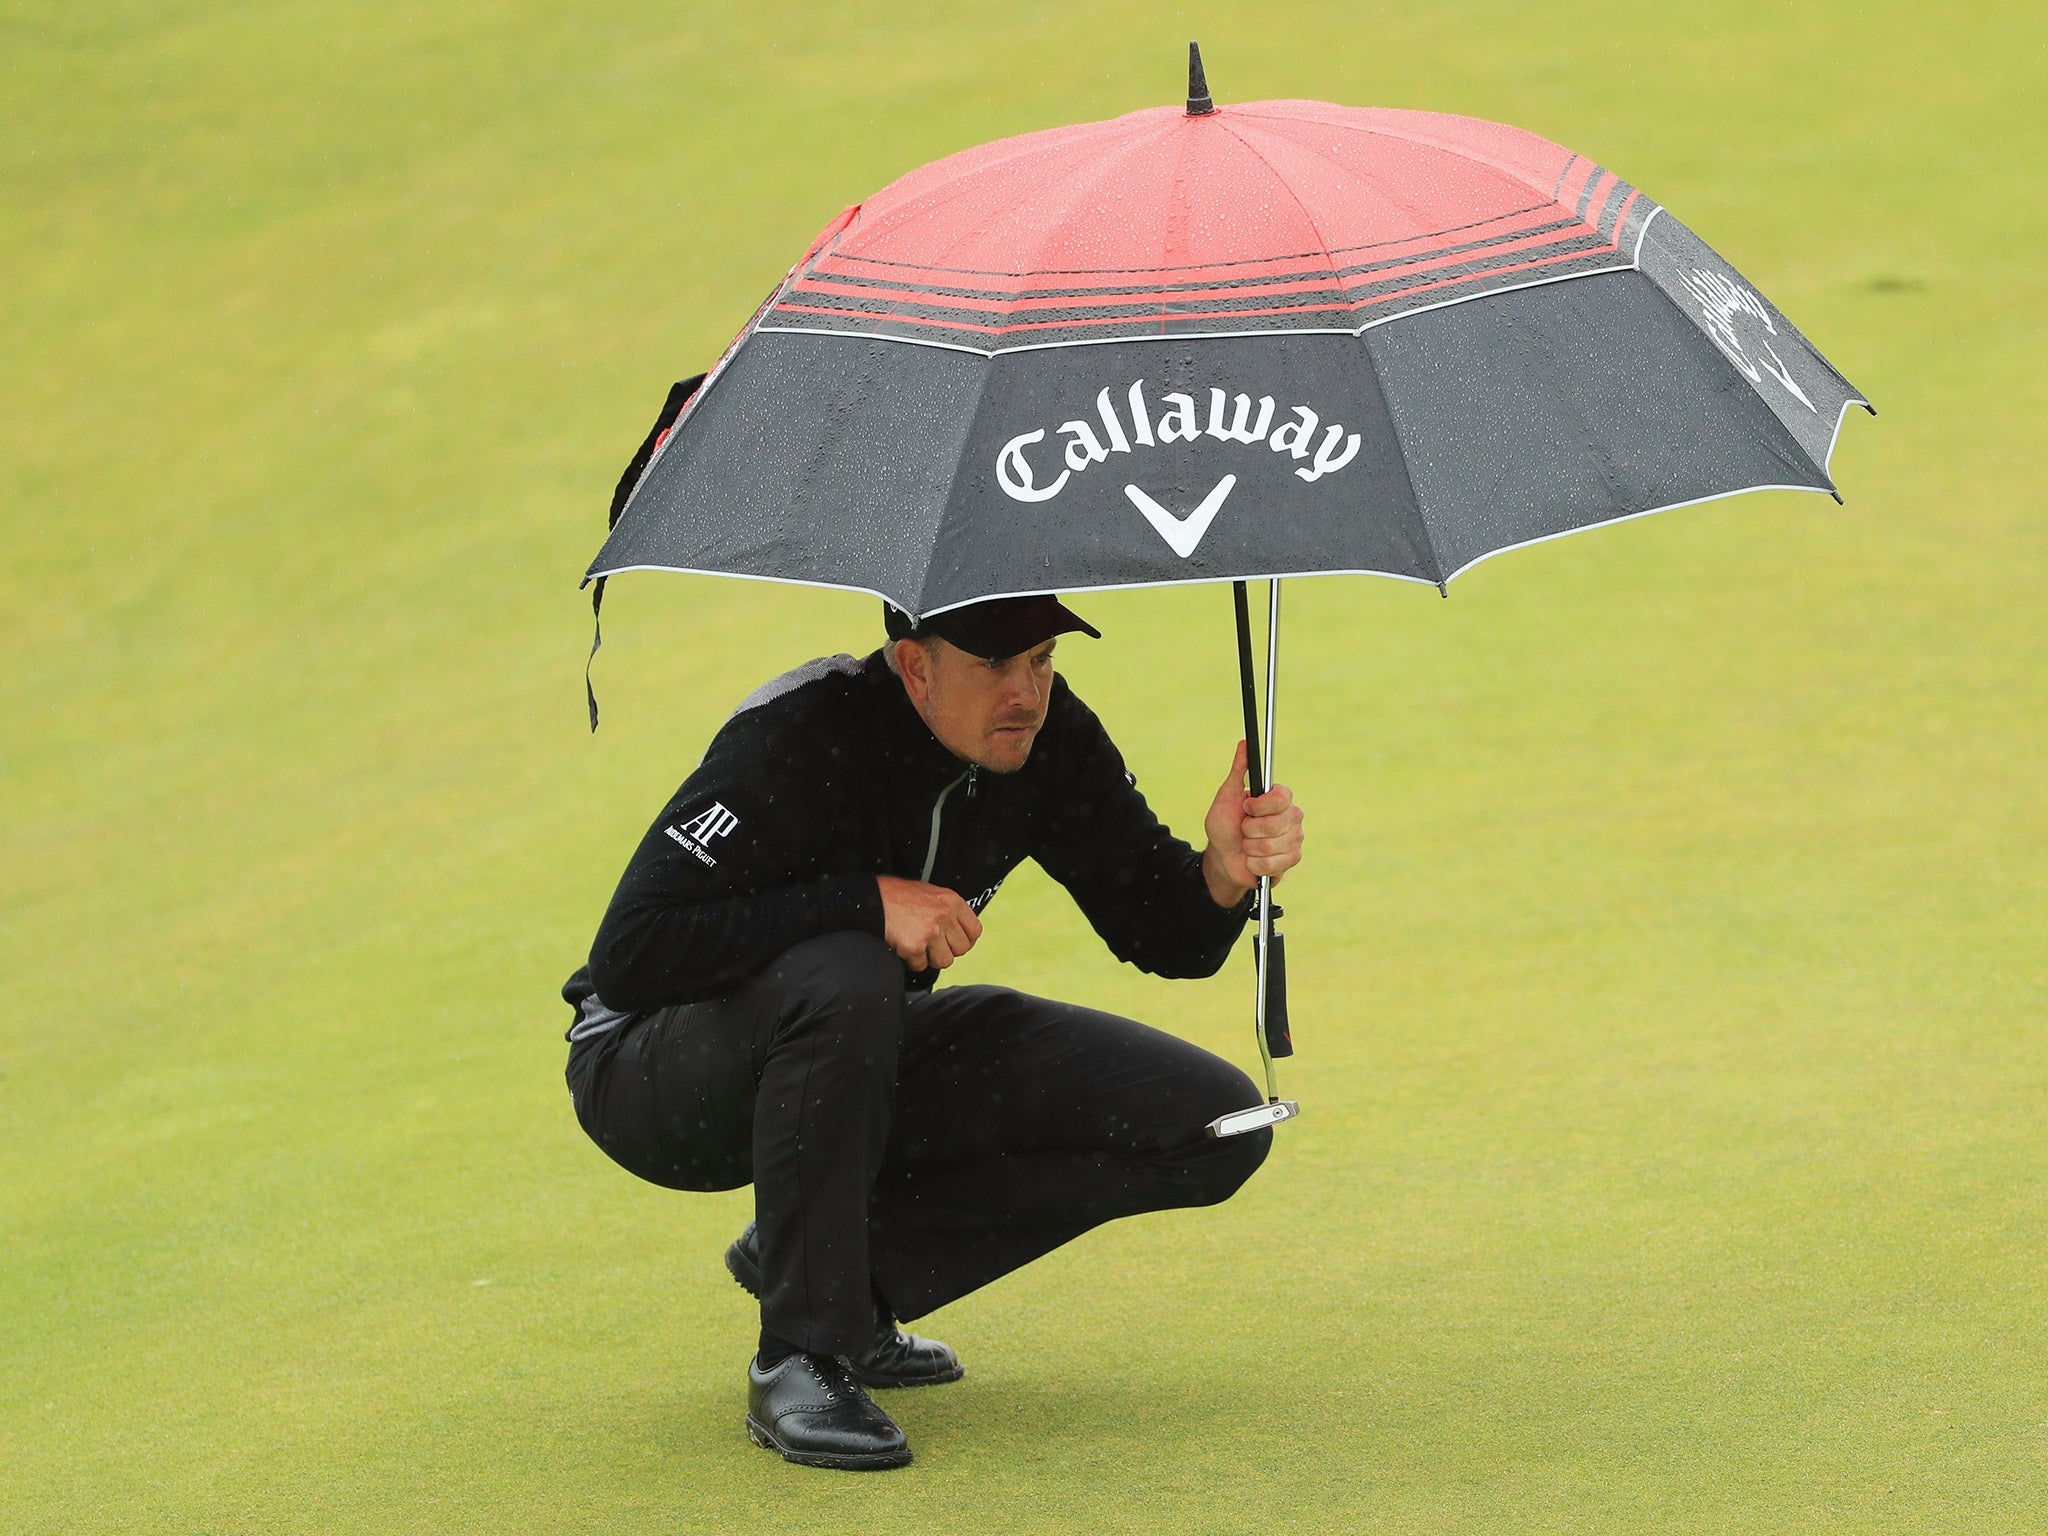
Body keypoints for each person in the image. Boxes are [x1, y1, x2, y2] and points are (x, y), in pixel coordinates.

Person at [560, 593, 1306, 1471]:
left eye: (1042, 659)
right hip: (649, 1072)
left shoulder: (1047, 738)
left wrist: (1222, 872)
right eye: (995, 664)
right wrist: (863, 902)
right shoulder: (802, 731)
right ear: (917, 666)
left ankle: (840, 1273)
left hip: (853, 1052)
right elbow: (633, 955)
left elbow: (1160, 928)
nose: (1026, 692)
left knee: (1214, 1124)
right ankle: (799, 1356)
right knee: (850, 969)